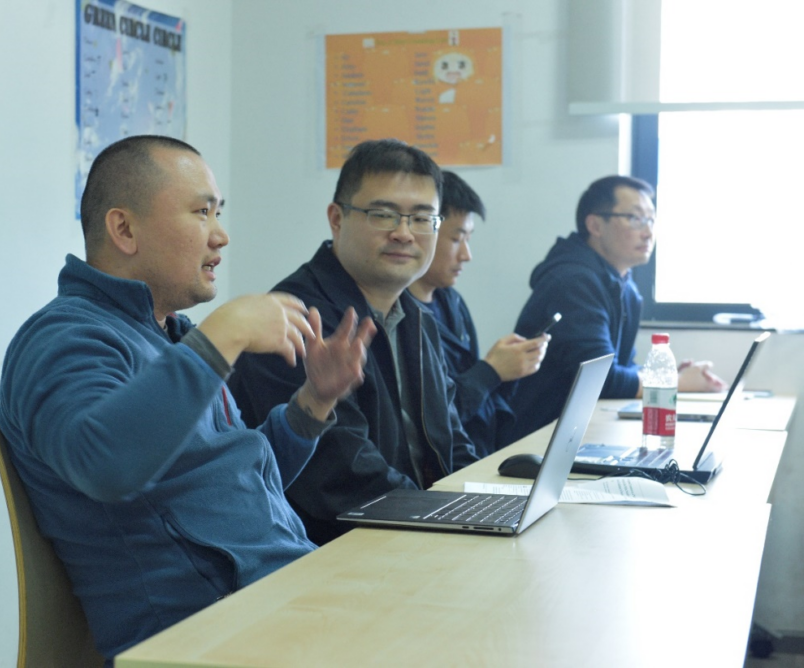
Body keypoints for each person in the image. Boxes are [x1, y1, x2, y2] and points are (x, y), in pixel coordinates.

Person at [0, 135, 375, 658]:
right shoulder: (62, 337)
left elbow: (234, 479)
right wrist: (223, 334)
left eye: (219, 212)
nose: (221, 235)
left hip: (282, 598)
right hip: (206, 636)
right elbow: (103, 464)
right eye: (202, 212)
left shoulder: (171, 335)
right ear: (124, 229)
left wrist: (315, 399)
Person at [229, 139, 478, 546]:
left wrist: (485, 504)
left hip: (416, 530)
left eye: (421, 218)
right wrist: (446, 517)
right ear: (336, 218)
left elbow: (452, 441)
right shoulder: (296, 319)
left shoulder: (416, 317)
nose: (403, 233)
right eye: (383, 214)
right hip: (336, 550)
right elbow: (341, 477)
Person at [502, 175, 725, 446]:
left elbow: (621, 367)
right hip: (538, 442)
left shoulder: (624, 286)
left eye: (651, 220)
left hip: (581, 434)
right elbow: (600, 380)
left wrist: (665, 374)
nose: (648, 232)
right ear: (595, 225)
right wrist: (675, 382)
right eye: (635, 218)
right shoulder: (574, 281)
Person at [407, 171, 548, 456]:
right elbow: (433, 419)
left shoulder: (452, 301)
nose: (466, 255)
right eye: (456, 239)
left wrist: (510, 369)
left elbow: (473, 402)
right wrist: (491, 371)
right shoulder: (398, 315)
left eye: (468, 239)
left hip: (478, 453)